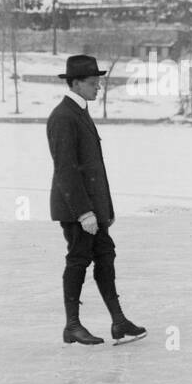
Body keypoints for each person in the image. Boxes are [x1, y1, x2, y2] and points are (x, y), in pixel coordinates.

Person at [48, 54, 146, 346]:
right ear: (76, 83)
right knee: (78, 259)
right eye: (93, 83)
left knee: (105, 255)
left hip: (93, 208)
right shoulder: (63, 116)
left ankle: (118, 321)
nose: (98, 88)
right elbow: (65, 169)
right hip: (76, 209)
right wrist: (84, 213)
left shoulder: (80, 111)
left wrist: (106, 211)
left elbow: (95, 169)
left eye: (98, 82)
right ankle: (72, 325)